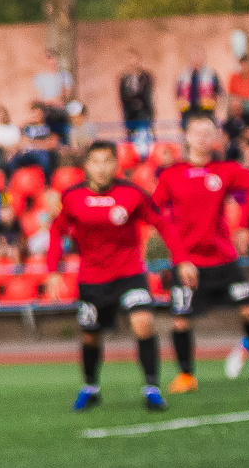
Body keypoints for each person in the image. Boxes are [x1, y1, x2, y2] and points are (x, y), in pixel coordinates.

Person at [154, 116, 249, 391]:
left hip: (224, 260)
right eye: (196, 131)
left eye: (207, 132)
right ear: (186, 136)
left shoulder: (225, 170)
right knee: (181, 319)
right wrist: (177, 254)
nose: (201, 136)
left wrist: (244, 225)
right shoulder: (171, 175)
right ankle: (186, 375)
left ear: (215, 138)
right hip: (187, 264)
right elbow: (153, 212)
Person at [50, 141, 169, 412]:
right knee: (91, 336)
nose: (102, 168)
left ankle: (152, 388)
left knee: (144, 322)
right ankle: (90, 388)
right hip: (92, 279)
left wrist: (181, 259)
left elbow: (161, 223)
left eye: (107, 161)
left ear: (117, 165)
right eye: (96, 162)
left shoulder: (132, 194)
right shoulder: (72, 197)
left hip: (129, 273)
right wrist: (52, 270)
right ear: (86, 166)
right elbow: (57, 231)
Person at [117, 52, 155, 148]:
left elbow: (148, 95)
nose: (132, 61)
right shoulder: (124, 78)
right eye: (129, 59)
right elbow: (122, 96)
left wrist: (150, 112)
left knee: (145, 137)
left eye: (134, 58)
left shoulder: (146, 77)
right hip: (130, 113)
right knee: (131, 139)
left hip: (144, 112)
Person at [173, 51, 222, 125]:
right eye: (194, 57)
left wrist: (217, 110)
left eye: (199, 57)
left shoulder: (211, 73)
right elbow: (177, 92)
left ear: (203, 59)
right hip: (187, 111)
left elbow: (218, 92)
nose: (196, 60)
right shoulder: (183, 74)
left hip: (206, 111)